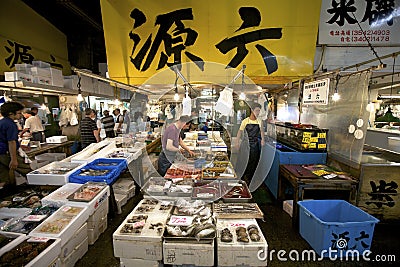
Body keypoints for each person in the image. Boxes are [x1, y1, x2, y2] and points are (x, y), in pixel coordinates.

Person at [0, 101, 32, 187]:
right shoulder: (10, 124)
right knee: (28, 171)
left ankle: (4, 198)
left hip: (1, 153)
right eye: (19, 113)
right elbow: (11, 142)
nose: (21, 115)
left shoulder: (2, 122)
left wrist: (20, 146)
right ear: (11, 113)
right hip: (6, 153)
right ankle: (42, 190)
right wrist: (14, 159)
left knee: (3, 178)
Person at [236, 102, 265, 184]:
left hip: (255, 145)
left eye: (259, 111)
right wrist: (237, 142)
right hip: (245, 144)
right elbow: (239, 132)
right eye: (257, 110)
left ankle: (250, 178)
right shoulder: (245, 121)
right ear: (252, 111)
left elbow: (262, 131)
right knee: (244, 160)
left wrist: (263, 140)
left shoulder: (260, 121)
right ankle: (242, 176)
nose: (258, 112)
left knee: (253, 161)